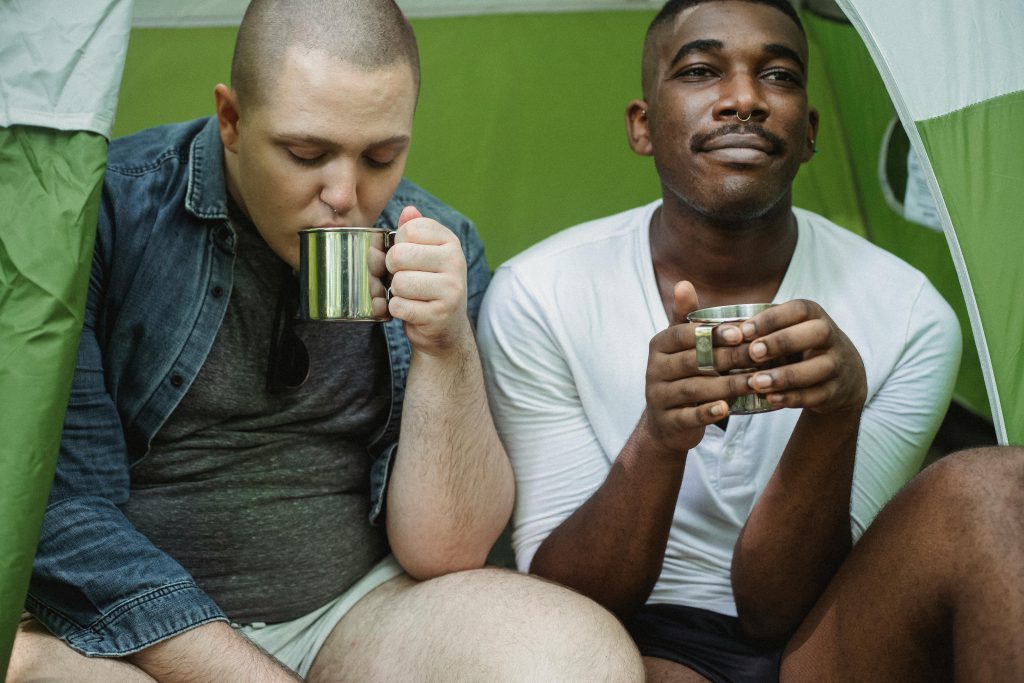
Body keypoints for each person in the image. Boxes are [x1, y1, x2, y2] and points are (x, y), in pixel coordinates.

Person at [8, 1, 646, 681]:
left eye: (381, 156)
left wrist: (445, 345)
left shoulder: (439, 240)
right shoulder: (105, 215)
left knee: (581, 657)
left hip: (350, 613)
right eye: (306, 154)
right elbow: (61, 514)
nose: (345, 195)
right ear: (231, 120)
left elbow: (449, 549)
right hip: (137, 642)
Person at [479, 0, 1023, 680]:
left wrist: (835, 413)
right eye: (703, 70)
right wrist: (660, 436)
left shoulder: (911, 314)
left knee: (1000, 485)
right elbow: (564, 599)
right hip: (623, 636)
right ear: (642, 127)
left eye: (779, 76)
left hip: (824, 628)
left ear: (810, 131)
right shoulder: (539, 293)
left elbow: (777, 608)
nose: (744, 99)